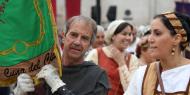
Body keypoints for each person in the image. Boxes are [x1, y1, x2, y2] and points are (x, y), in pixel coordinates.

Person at [13, 15, 110, 95]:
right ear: (63, 37)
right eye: (73, 35)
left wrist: (58, 86)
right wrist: (17, 93)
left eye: (84, 38)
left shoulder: (97, 76)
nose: (77, 42)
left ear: (90, 45)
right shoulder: (40, 68)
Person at [124, 12, 190, 95]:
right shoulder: (142, 74)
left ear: (176, 39)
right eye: (150, 33)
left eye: (157, 33)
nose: (150, 39)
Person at [85, 20, 139, 95]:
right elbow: (86, 82)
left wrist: (121, 63)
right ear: (113, 36)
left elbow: (132, 90)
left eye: (130, 34)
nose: (128, 38)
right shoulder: (96, 54)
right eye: (124, 34)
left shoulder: (133, 59)